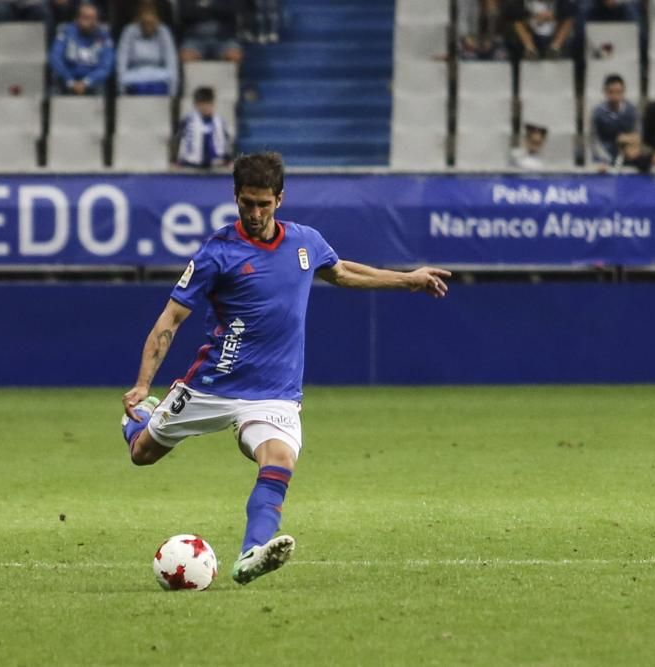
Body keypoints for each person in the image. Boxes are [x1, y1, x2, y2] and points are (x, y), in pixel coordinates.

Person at [120, 152, 450, 585]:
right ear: (235, 197)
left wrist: (408, 279)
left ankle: (251, 552)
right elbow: (171, 319)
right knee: (142, 453)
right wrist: (143, 384)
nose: (255, 214)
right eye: (246, 204)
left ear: (280, 199)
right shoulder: (216, 253)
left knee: (278, 460)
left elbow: (343, 271)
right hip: (213, 386)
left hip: (274, 392)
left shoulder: (305, 242)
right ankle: (140, 418)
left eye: (264, 204)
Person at [49, 2, 114, 96]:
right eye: (85, 17)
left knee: (102, 86)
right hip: (67, 80)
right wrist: (69, 81)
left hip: (93, 83)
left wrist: (87, 82)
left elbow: (106, 66)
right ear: (77, 18)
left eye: (92, 18)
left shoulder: (104, 36)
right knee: (55, 84)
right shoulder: (66, 31)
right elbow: (55, 58)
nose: (89, 21)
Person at [117, 4, 179, 95]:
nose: (148, 26)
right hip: (135, 78)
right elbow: (121, 60)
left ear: (156, 20)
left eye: (151, 23)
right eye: (145, 24)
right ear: (139, 20)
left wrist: (173, 92)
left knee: (159, 87)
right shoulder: (129, 31)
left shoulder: (163, 31)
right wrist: (121, 88)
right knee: (139, 88)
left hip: (158, 78)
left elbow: (171, 60)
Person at [177, 86, 233, 168]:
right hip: (190, 164)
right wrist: (175, 160)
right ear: (196, 105)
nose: (205, 107)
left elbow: (227, 142)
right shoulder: (187, 121)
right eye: (201, 104)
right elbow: (178, 140)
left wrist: (229, 160)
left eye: (208, 104)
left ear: (213, 104)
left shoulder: (220, 122)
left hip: (216, 165)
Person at [503, 0, 577, 60]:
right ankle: (530, 50)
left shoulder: (561, 3)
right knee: (518, 23)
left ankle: (555, 49)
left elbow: (570, 12)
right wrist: (534, 17)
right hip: (532, 37)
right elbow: (514, 15)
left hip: (554, 36)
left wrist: (552, 16)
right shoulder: (522, 3)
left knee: (568, 21)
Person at [589, 74, 638, 164]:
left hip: (628, 158)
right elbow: (594, 141)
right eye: (611, 92)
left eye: (618, 92)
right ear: (605, 92)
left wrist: (631, 148)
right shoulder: (597, 113)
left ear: (624, 92)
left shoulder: (632, 111)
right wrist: (602, 160)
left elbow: (637, 135)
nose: (615, 96)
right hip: (604, 159)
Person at [178, 0, 244, 63]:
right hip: (195, 39)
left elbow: (232, 10)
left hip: (224, 39)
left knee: (234, 55)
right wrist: (213, 8)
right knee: (186, 56)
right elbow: (185, 13)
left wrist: (204, 6)